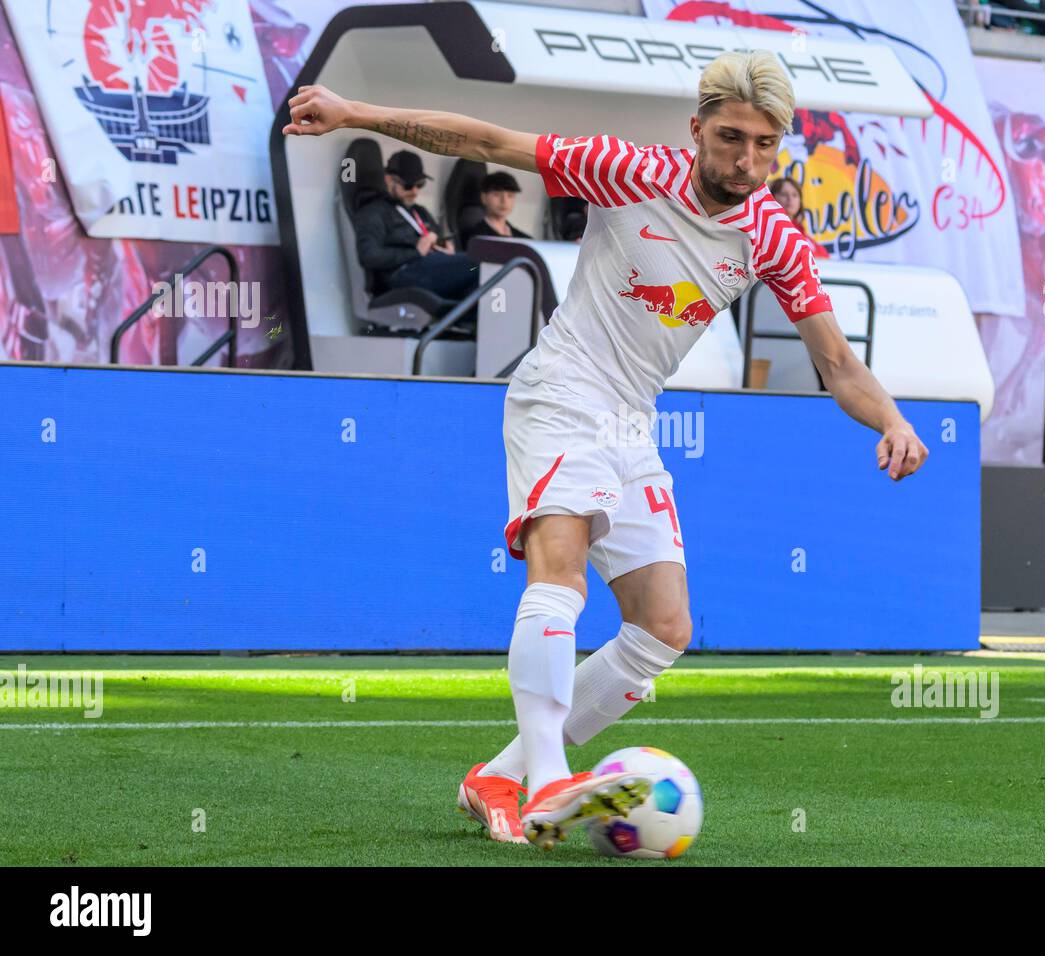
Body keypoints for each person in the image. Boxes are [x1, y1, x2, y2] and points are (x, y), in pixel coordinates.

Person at [284, 50, 928, 849]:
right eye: (731, 137)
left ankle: (499, 776)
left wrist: (893, 420)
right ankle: (550, 783)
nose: (748, 160)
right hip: (560, 392)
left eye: (766, 145)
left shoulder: (773, 239)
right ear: (697, 129)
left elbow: (837, 362)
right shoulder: (624, 170)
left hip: (630, 420)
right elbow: (487, 140)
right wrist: (356, 113)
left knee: (662, 628)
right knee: (559, 569)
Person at [353, 149, 479, 301]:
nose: (415, 191)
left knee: (485, 270)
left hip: (432, 266)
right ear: (388, 180)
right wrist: (416, 252)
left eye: (420, 184)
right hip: (403, 273)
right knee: (479, 263)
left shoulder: (420, 212)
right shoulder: (373, 212)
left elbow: (438, 239)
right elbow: (369, 256)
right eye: (408, 185)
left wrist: (446, 247)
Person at [461, 171, 533, 241]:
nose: (504, 201)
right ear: (483, 198)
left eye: (510, 196)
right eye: (496, 195)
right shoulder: (474, 238)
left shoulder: (525, 240)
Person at [769, 176, 829, 259]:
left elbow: (826, 259)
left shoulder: (801, 233)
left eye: (794, 195)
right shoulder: (768, 231)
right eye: (783, 194)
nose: (790, 199)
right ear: (773, 198)